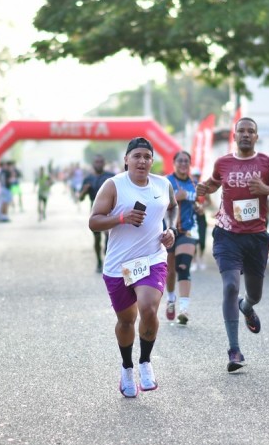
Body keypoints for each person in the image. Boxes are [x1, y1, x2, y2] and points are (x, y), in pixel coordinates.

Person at [195, 118, 269, 372]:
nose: (246, 135)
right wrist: (205, 188)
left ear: (257, 137)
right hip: (227, 234)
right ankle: (234, 350)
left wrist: (266, 189)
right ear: (235, 135)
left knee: (255, 294)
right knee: (230, 286)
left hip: (256, 237)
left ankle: (247, 306)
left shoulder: (267, 163)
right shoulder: (223, 162)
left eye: (251, 131)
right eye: (242, 131)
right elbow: (214, 183)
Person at [89, 137, 178, 397]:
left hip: (152, 258)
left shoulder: (163, 184)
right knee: (126, 321)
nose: (142, 161)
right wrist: (121, 218)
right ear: (126, 159)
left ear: (152, 161)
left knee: (148, 309)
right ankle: (127, 367)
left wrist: (171, 229)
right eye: (136, 156)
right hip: (120, 265)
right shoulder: (114, 185)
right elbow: (93, 222)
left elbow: (172, 207)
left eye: (147, 157)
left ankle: (145, 362)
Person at [164, 150, 198, 324]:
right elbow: (158, 204)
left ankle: (184, 310)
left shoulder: (194, 183)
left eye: (186, 161)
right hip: (169, 230)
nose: (183, 164)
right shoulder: (166, 182)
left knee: (183, 266)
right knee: (170, 271)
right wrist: (175, 198)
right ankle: (171, 299)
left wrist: (198, 207)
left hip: (188, 230)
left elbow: (200, 202)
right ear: (174, 163)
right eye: (180, 161)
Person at [79, 155, 114, 272]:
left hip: (109, 209)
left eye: (100, 162)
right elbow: (80, 198)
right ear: (93, 164)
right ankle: (99, 260)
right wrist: (84, 191)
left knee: (109, 234)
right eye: (96, 162)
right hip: (95, 210)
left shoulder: (110, 177)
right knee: (97, 238)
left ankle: (108, 254)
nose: (98, 164)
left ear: (104, 163)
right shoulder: (88, 179)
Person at [191, 167, 210, 271]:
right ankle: (193, 261)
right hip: (191, 216)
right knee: (193, 240)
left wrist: (203, 206)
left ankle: (201, 258)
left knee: (202, 240)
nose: (196, 177)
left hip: (201, 216)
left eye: (197, 176)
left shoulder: (203, 188)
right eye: (194, 175)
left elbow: (209, 202)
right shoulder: (189, 187)